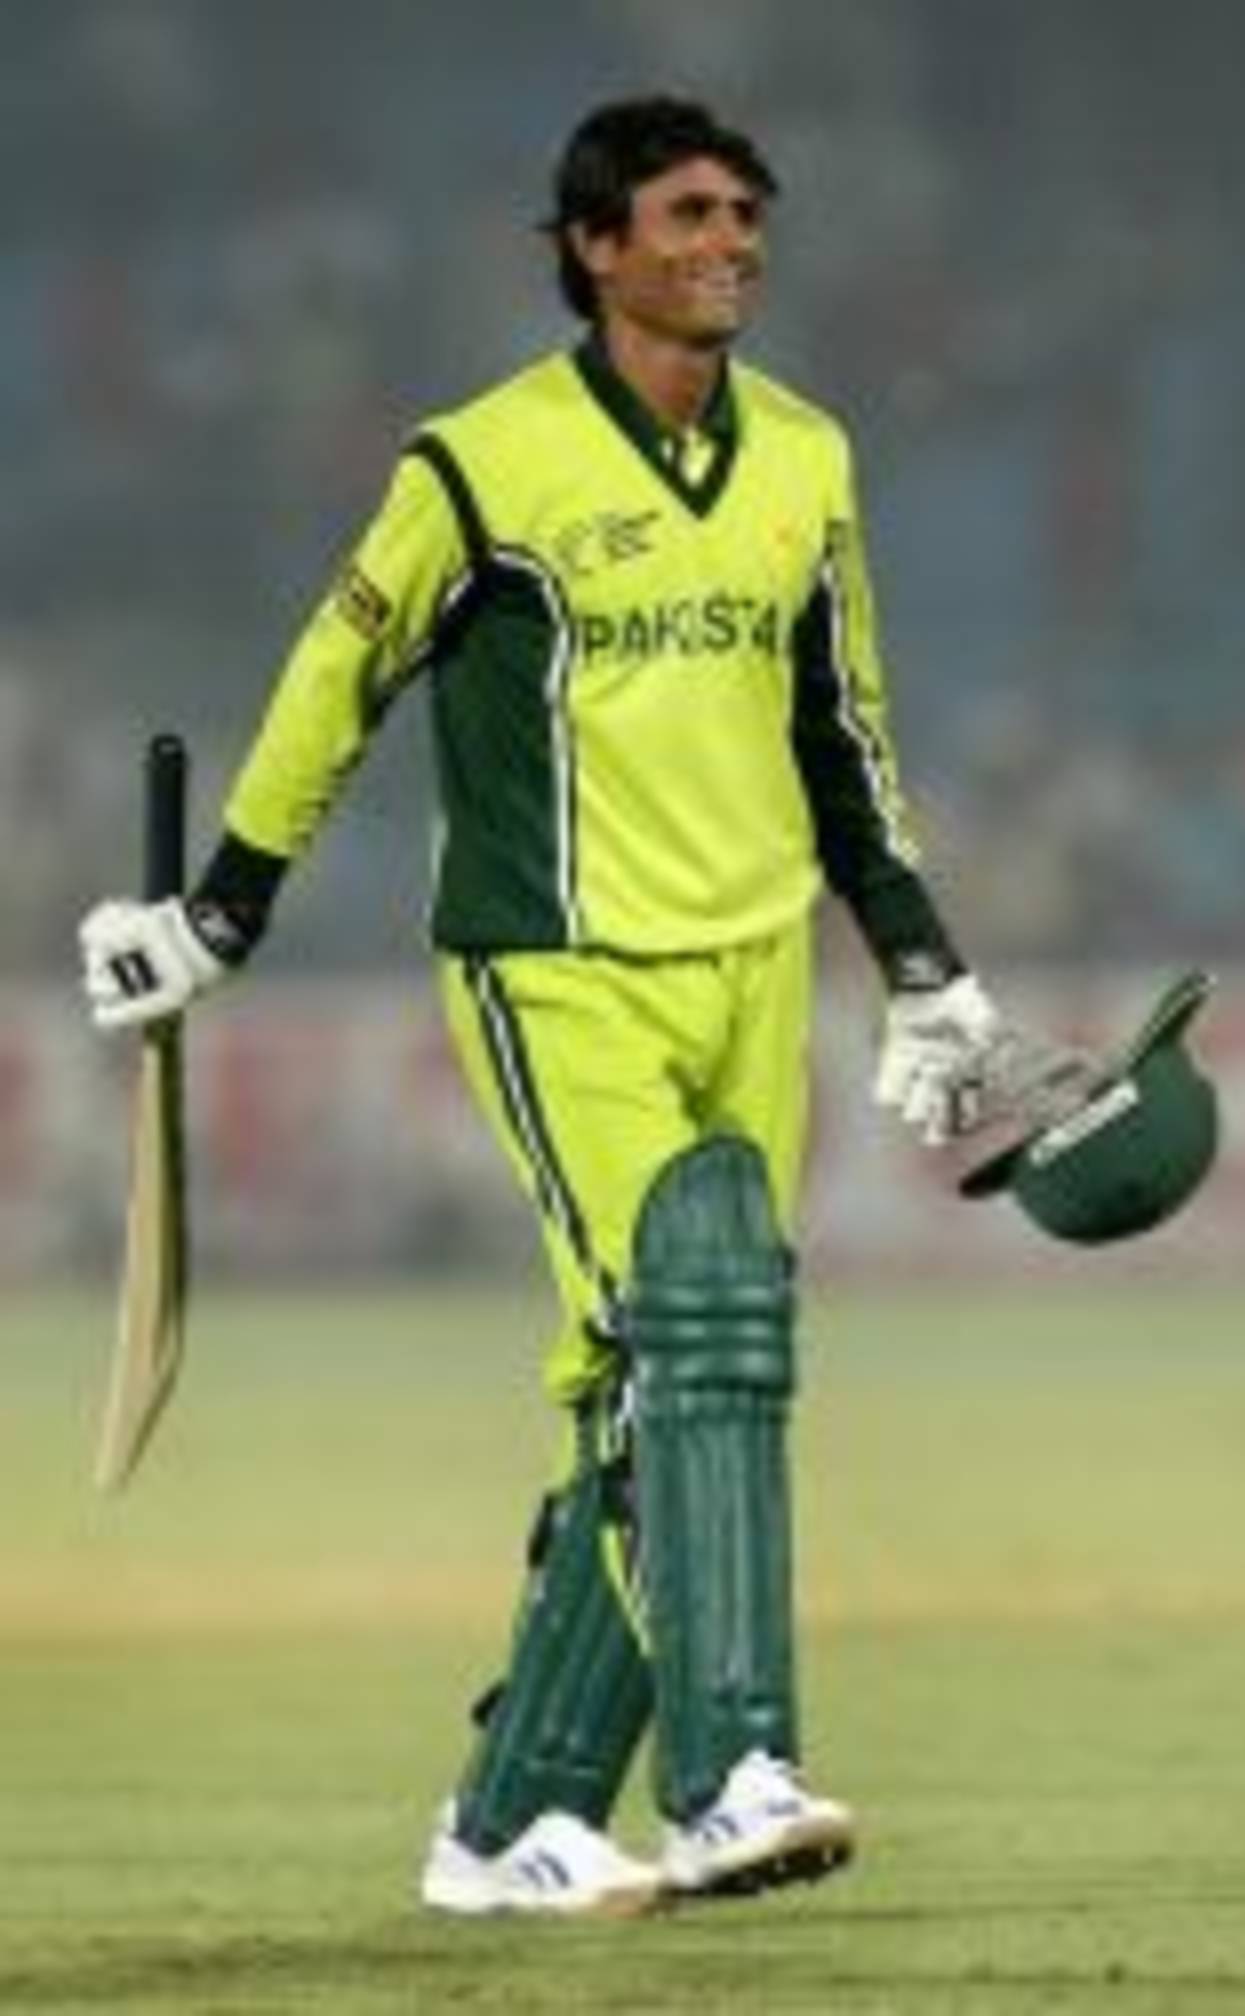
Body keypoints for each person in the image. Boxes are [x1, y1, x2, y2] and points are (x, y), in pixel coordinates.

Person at [79, 97, 1005, 1917]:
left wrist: (921, 959)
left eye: (745, 210)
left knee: (667, 1390)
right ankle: (738, 1767)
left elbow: (848, 729)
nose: (729, 238)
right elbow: (335, 673)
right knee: (703, 1317)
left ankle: (510, 1826)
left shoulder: (807, 460)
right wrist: (221, 914)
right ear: (593, 245)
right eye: (686, 212)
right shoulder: (480, 466)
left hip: (753, 968)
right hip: (555, 966)